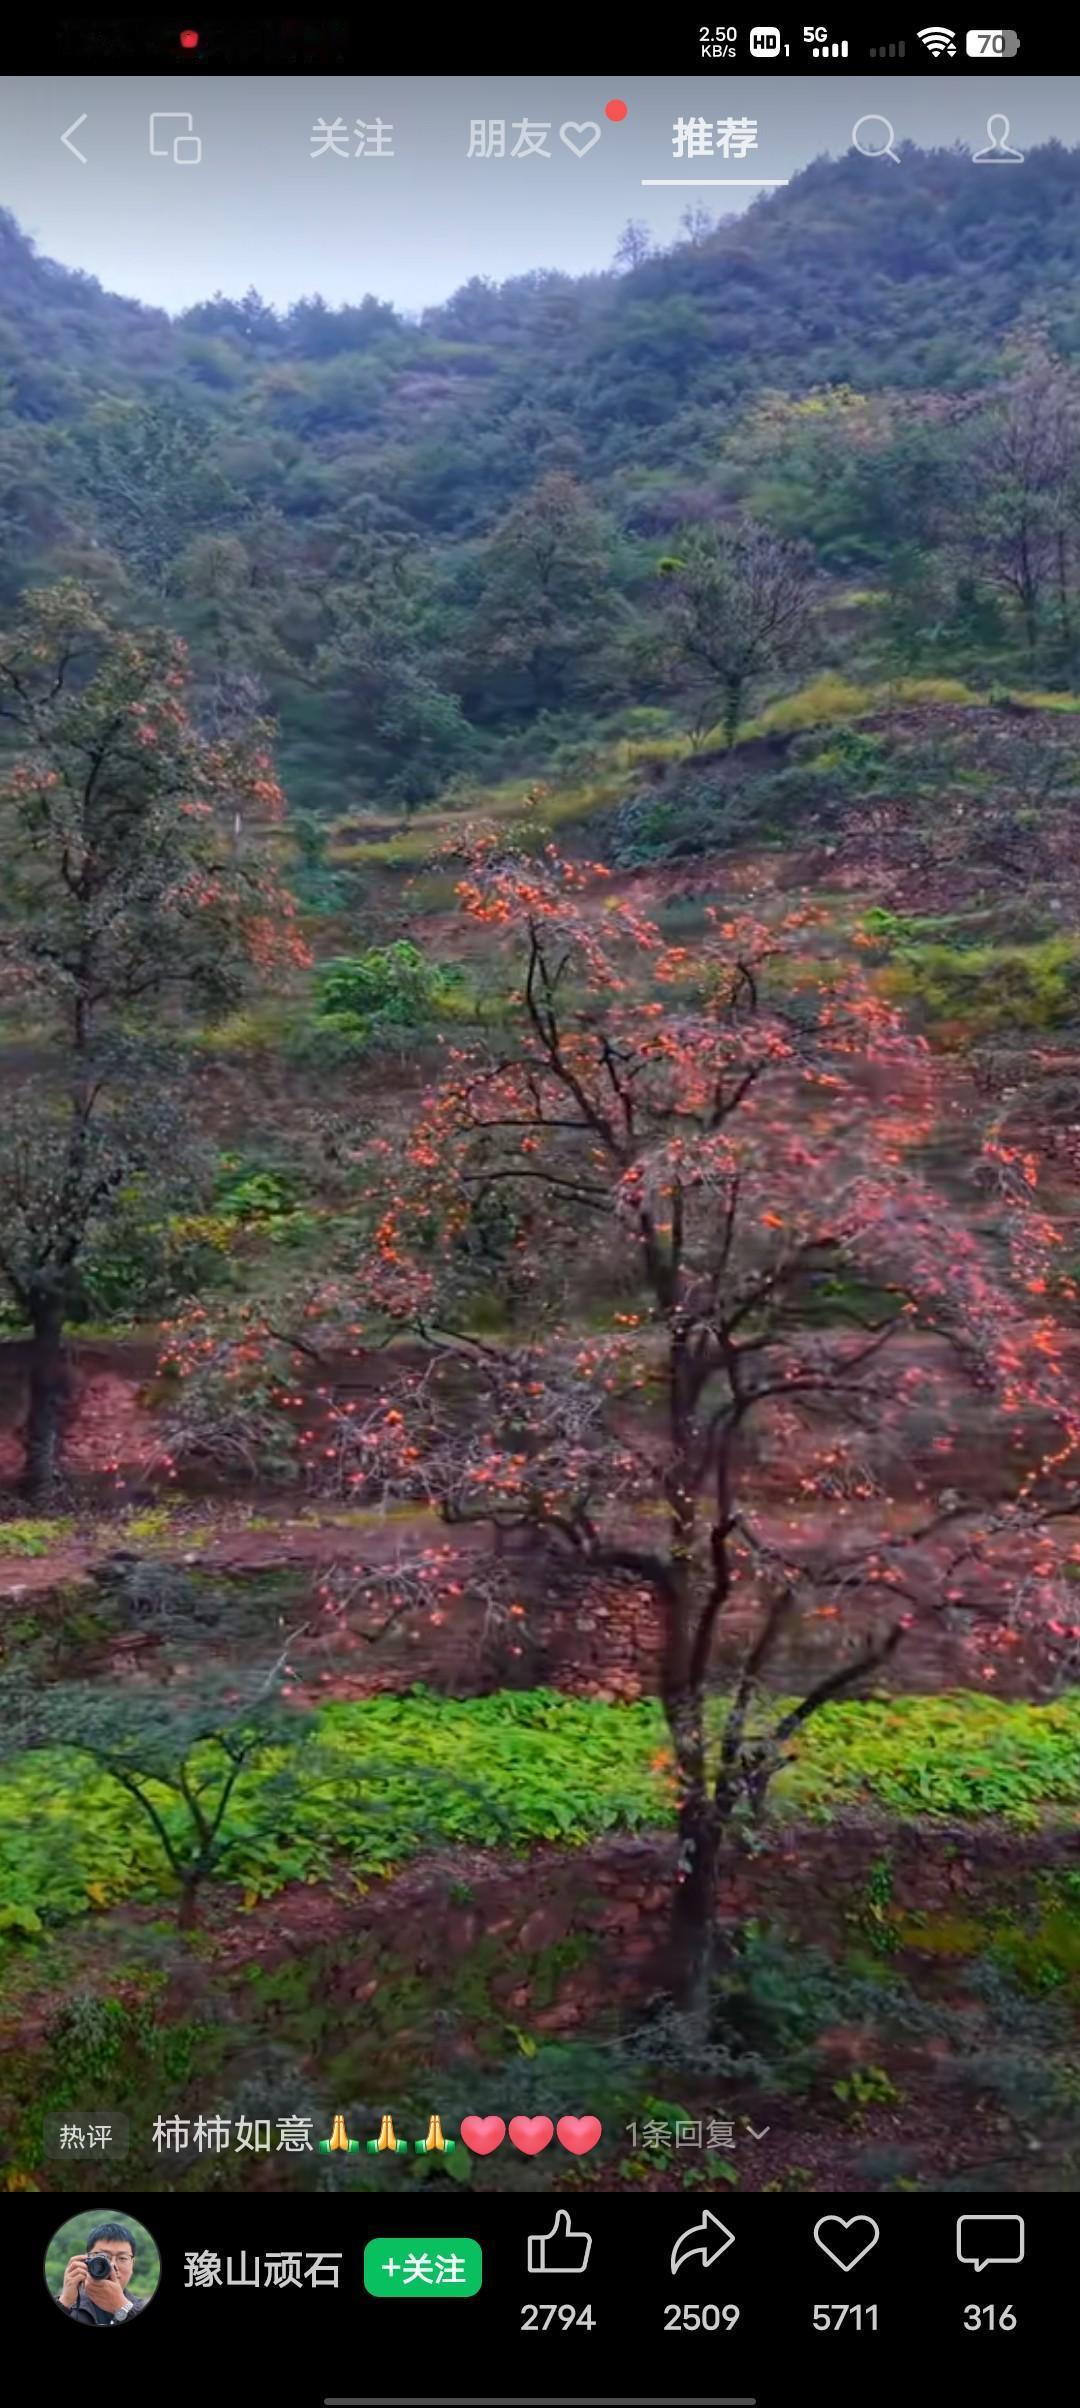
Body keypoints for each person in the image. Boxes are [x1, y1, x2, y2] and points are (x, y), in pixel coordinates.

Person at [55, 2222, 148, 2324]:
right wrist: (64, 2303)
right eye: (103, 2257)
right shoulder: (69, 2305)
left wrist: (123, 2307)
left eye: (122, 2258)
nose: (112, 2266)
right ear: (87, 2259)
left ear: (132, 2265)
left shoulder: (141, 2307)